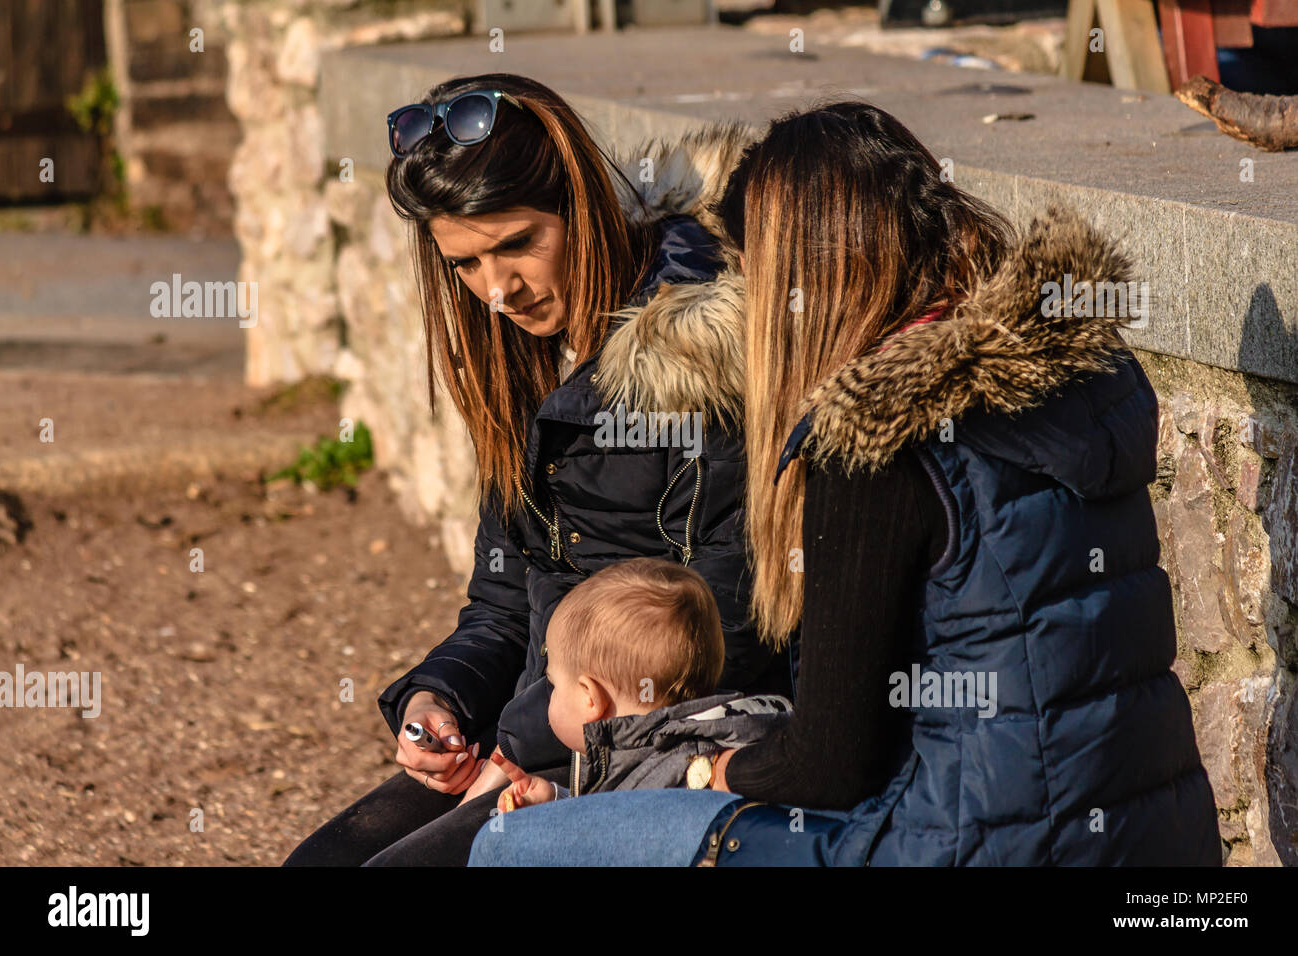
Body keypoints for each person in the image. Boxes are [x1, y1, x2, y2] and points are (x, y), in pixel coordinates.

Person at [467, 101, 1222, 867]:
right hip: (1158, 843)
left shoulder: (876, 445)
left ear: (800, 275)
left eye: (749, 269)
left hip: (965, 848)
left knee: (509, 847)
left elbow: (828, 766)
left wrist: (706, 770)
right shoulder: (1084, 375)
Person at [284, 74, 791, 867]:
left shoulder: (702, 358)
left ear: (581, 208)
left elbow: (731, 628)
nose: (496, 290)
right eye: (465, 263)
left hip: (661, 750)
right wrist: (439, 703)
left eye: (517, 244)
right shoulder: (525, 368)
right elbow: (500, 605)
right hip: (539, 726)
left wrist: (522, 743)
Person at [475, 557, 791, 816]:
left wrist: (540, 829)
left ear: (590, 698)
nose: (549, 694)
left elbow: (603, 843)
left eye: (554, 684)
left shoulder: (658, 782)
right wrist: (555, 801)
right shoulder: (728, 734)